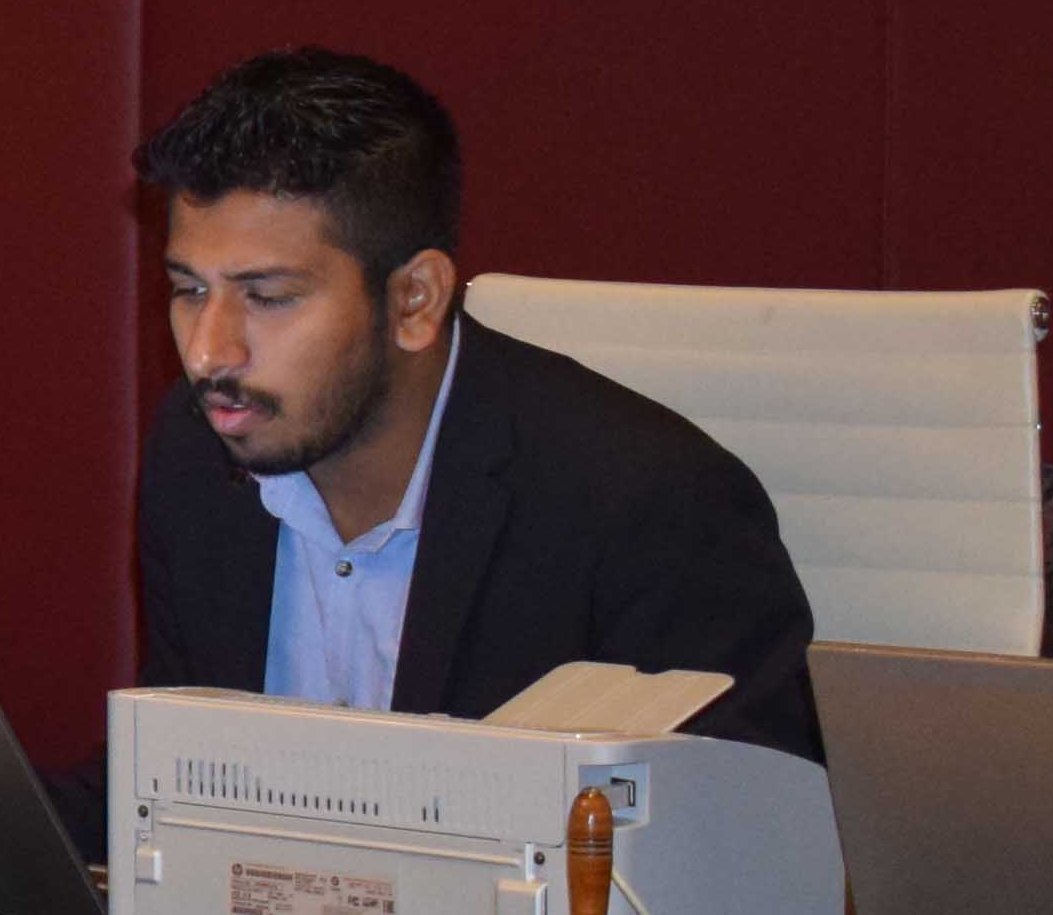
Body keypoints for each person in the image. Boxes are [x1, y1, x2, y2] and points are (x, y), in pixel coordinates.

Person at [134, 49, 821, 756]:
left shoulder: (648, 505)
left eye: (268, 297)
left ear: (415, 300)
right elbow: (164, 773)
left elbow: (747, 811)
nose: (208, 353)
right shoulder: (194, 452)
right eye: (189, 290)